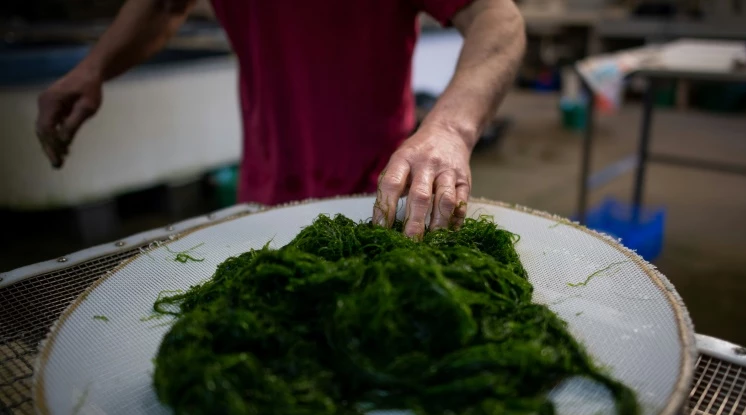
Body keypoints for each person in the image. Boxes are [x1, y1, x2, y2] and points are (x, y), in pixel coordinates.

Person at [36, 0, 525, 238]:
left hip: (378, 193)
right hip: (264, 186)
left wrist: (448, 129)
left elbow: (497, 19)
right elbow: (164, 5)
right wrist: (93, 68)